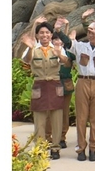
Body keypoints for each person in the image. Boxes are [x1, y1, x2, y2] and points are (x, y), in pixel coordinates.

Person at [57, 9, 95, 162]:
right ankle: (81, 148)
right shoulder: (81, 46)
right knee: (81, 118)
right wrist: (58, 30)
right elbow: (68, 42)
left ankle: (93, 148)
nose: (91, 34)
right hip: (82, 82)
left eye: (94, 32)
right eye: (89, 32)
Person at [21, 17, 69, 160]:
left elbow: (66, 62)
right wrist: (30, 48)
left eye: (47, 32)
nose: (44, 35)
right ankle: (40, 149)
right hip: (40, 86)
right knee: (39, 121)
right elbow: (26, 60)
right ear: (37, 35)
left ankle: (55, 148)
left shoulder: (57, 48)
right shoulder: (32, 49)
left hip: (54, 85)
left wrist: (59, 54)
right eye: (41, 33)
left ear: (51, 34)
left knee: (57, 119)